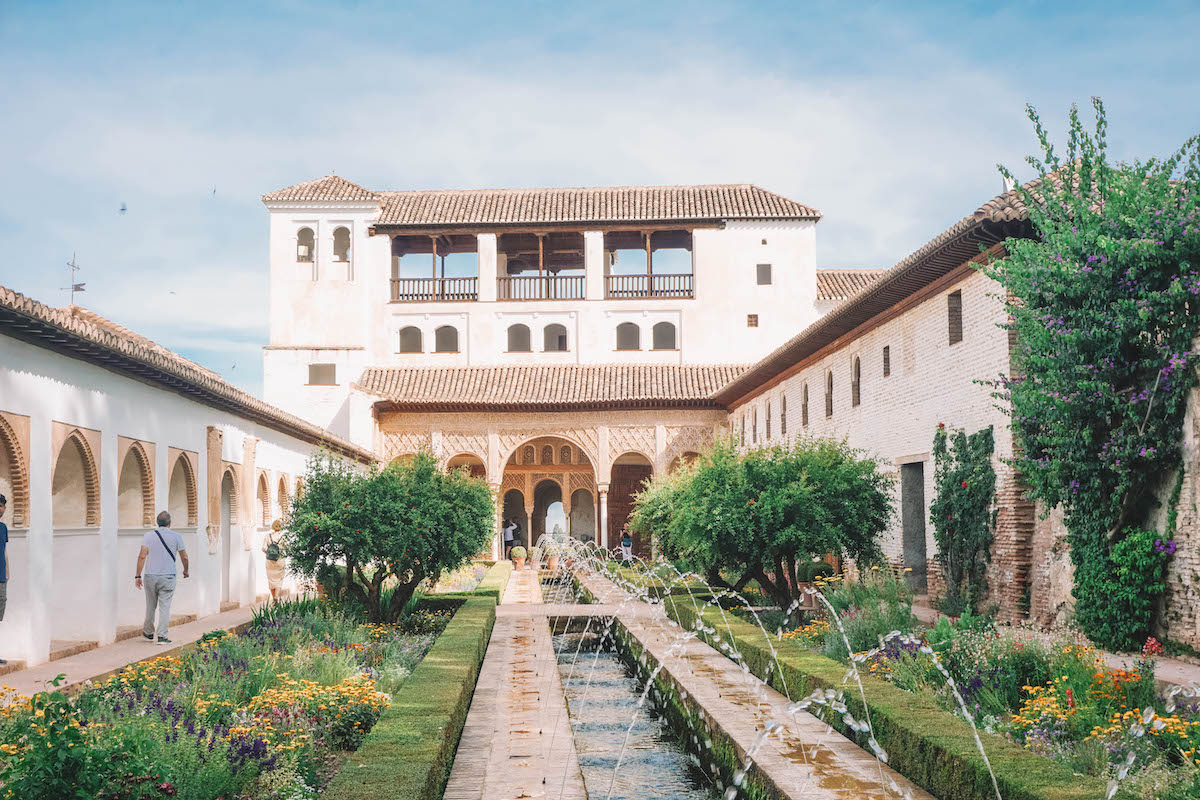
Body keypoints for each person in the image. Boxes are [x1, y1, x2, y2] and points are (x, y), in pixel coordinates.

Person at [135, 511, 189, 644]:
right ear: (170, 523)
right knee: (165, 607)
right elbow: (184, 556)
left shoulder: (148, 536)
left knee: (150, 605)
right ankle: (162, 637)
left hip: (150, 576)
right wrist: (186, 570)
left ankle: (148, 633)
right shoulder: (176, 536)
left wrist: (137, 575)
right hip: (168, 576)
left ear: (157, 523)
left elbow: (142, 556)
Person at [262, 519, 286, 602]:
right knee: (279, 579)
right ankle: (276, 596)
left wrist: (270, 552)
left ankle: (273, 598)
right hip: (280, 560)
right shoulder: (283, 537)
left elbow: (263, 548)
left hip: (270, 561)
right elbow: (287, 549)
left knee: (271, 580)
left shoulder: (267, 536)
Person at [0, 494, 8, 664]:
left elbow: (4, 550)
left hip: (1, 578)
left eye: (1, 505)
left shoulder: (3, 528)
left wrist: (8, 571)